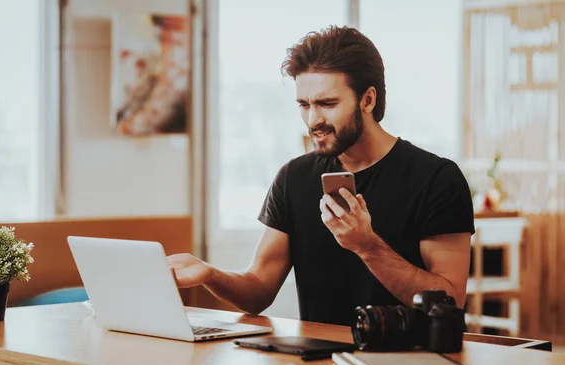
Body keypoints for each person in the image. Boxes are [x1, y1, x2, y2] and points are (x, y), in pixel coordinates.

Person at [167, 25, 475, 326]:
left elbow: (449, 302)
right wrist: (210, 274)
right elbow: (258, 290)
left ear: (367, 100)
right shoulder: (294, 178)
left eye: (327, 104)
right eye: (304, 105)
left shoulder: (437, 179)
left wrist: (367, 246)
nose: (313, 120)